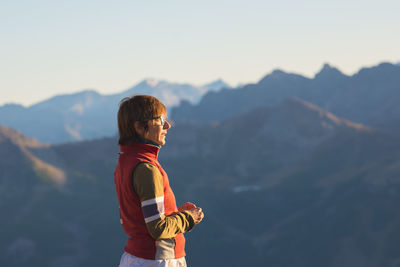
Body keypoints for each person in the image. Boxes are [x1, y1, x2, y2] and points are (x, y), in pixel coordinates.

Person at [114, 95, 204, 267]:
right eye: (160, 120)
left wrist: (175, 214)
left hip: (136, 258)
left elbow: (130, 218)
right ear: (140, 127)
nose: (167, 125)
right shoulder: (146, 169)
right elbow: (158, 228)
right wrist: (189, 217)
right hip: (158, 260)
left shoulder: (125, 162)